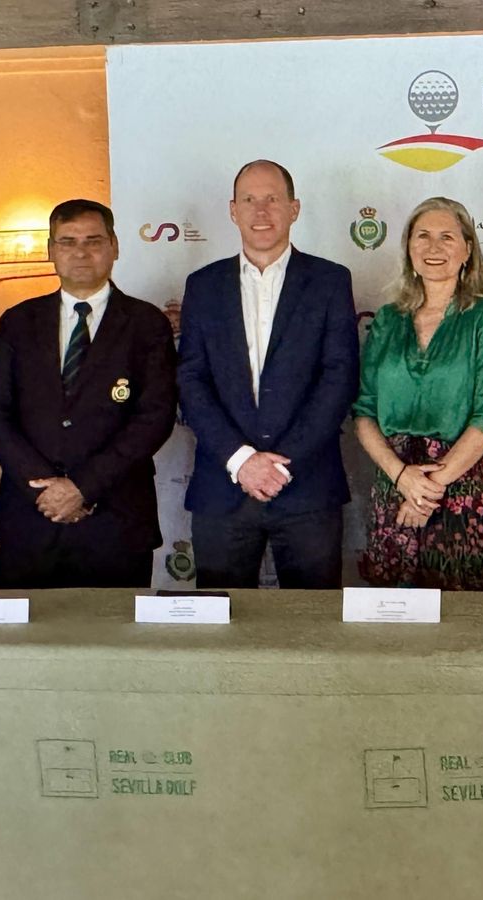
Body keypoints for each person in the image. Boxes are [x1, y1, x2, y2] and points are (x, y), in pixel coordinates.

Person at [176, 159, 359, 588]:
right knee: (222, 633)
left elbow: (339, 378)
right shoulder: (202, 285)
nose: (261, 212)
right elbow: (191, 381)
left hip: (308, 489)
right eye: (249, 200)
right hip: (223, 490)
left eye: (272, 200)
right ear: (232, 210)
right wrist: (242, 462)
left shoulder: (330, 281)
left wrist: (278, 467)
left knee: (314, 631)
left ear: (294, 209)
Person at [0, 199, 178, 588]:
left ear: (115, 246)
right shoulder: (19, 321)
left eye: (93, 240)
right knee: (31, 645)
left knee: (114, 644)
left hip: (117, 521)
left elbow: (154, 418)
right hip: (32, 517)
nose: (81, 252)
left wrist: (82, 487)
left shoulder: (146, 324)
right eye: (67, 242)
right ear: (51, 250)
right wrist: (45, 488)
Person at [353, 197, 483, 591]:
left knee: (462, 628)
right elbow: (363, 412)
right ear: (408, 248)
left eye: (447, 236)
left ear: (467, 250)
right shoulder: (389, 320)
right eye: (422, 236)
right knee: (394, 624)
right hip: (394, 488)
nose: (433, 247)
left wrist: (427, 490)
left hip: (461, 489)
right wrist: (402, 478)